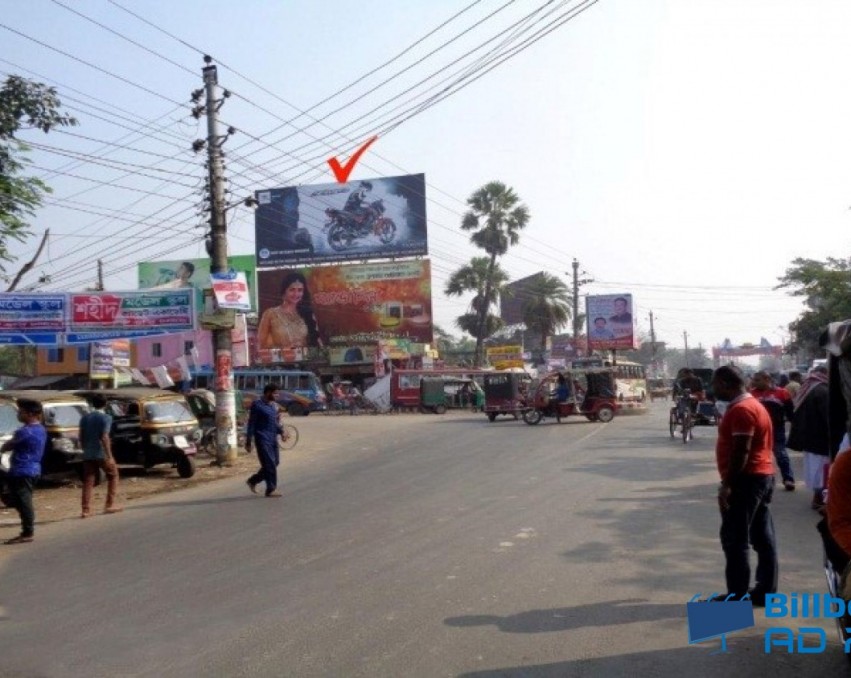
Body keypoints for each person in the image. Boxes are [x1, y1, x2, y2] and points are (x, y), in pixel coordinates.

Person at [711, 365, 777, 606]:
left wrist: (727, 485)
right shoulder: (752, 405)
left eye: (715, 384)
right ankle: (765, 591)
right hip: (761, 476)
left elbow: (742, 451)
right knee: (762, 537)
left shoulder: (742, 409)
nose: (713, 389)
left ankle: (737, 597)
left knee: (735, 538)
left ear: (726, 384)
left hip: (747, 480)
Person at [1, 399, 47, 544]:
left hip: (22, 470)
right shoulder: (40, 429)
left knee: (23, 500)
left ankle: (27, 532)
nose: (18, 415)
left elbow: (8, 446)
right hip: (31, 469)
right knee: (19, 499)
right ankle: (27, 528)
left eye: (21, 412)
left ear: (30, 414)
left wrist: (5, 446)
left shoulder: (24, 431)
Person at [787, 365, 830, 510]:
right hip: (820, 439)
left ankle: (818, 498)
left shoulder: (811, 388)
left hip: (810, 438)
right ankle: (820, 500)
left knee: (816, 470)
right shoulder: (823, 391)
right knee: (822, 471)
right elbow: (828, 418)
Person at [749, 370, 796, 492]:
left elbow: (790, 412)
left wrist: (795, 426)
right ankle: (758, 481)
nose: (754, 382)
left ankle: (788, 479)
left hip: (776, 429)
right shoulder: (751, 394)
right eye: (754, 380)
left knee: (781, 454)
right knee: (757, 456)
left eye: (757, 380)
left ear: (767, 379)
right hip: (757, 430)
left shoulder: (782, 393)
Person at [78, 392, 122, 518]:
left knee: (88, 481)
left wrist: (84, 449)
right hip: (101, 453)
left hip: (88, 453)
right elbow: (104, 437)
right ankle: (109, 505)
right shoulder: (106, 418)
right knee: (113, 476)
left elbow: (80, 436)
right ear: (105, 404)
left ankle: (85, 510)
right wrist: (110, 456)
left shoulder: (85, 418)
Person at [257, 271, 323, 350]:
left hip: (305, 360)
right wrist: (284, 350)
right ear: (284, 290)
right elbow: (261, 345)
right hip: (280, 360)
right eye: (292, 290)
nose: (296, 294)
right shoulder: (270, 314)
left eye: (300, 290)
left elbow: (317, 340)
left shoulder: (307, 313)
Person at [245, 384, 285, 498]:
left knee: (275, 462)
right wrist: (249, 441)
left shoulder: (273, 406)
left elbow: (274, 422)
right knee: (270, 464)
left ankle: (253, 480)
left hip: (273, 439)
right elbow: (251, 424)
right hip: (262, 439)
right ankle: (271, 489)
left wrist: (282, 432)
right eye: (275, 393)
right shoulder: (257, 405)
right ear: (268, 393)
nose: (277, 395)